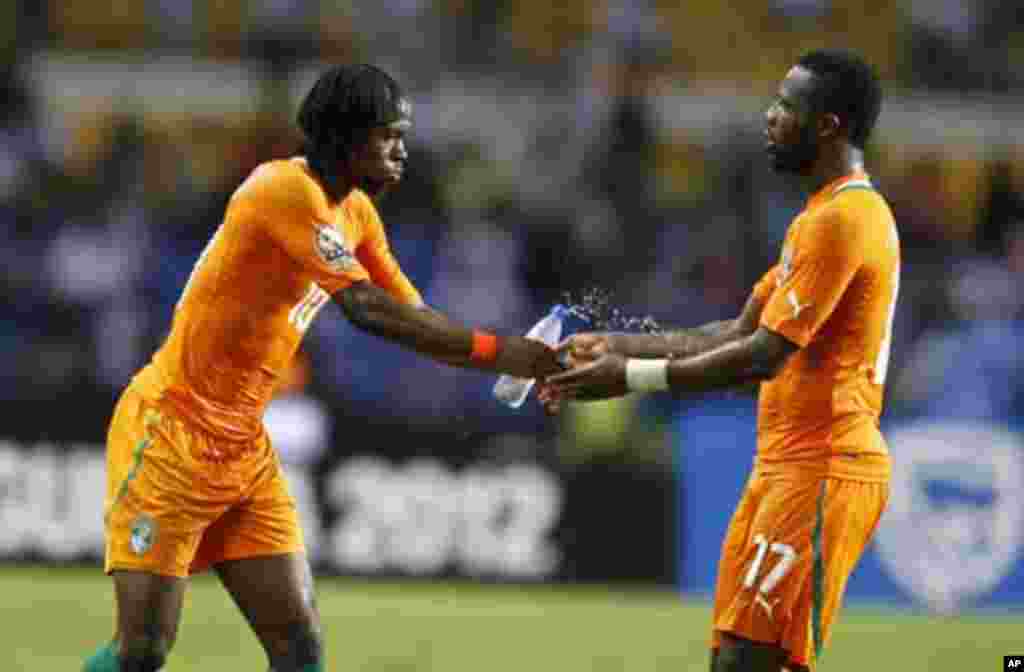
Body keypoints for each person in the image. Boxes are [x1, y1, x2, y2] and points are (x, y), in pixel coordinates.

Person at [84, 64, 562, 672]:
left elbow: (415, 318)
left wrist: (524, 360)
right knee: (142, 652)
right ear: (345, 135)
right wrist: (499, 351)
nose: (402, 149)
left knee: (299, 647)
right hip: (170, 433)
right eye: (388, 135)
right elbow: (365, 309)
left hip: (242, 449)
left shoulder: (356, 214)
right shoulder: (282, 190)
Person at [543, 50, 897, 672]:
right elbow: (735, 331)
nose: (770, 115)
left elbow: (761, 357)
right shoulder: (818, 218)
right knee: (734, 658)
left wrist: (628, 378)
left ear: (828, 126)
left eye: (787, 104)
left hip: (824, 466)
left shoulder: (847, 218)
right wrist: (616, 345)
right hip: (784, 464)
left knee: (746, 662)